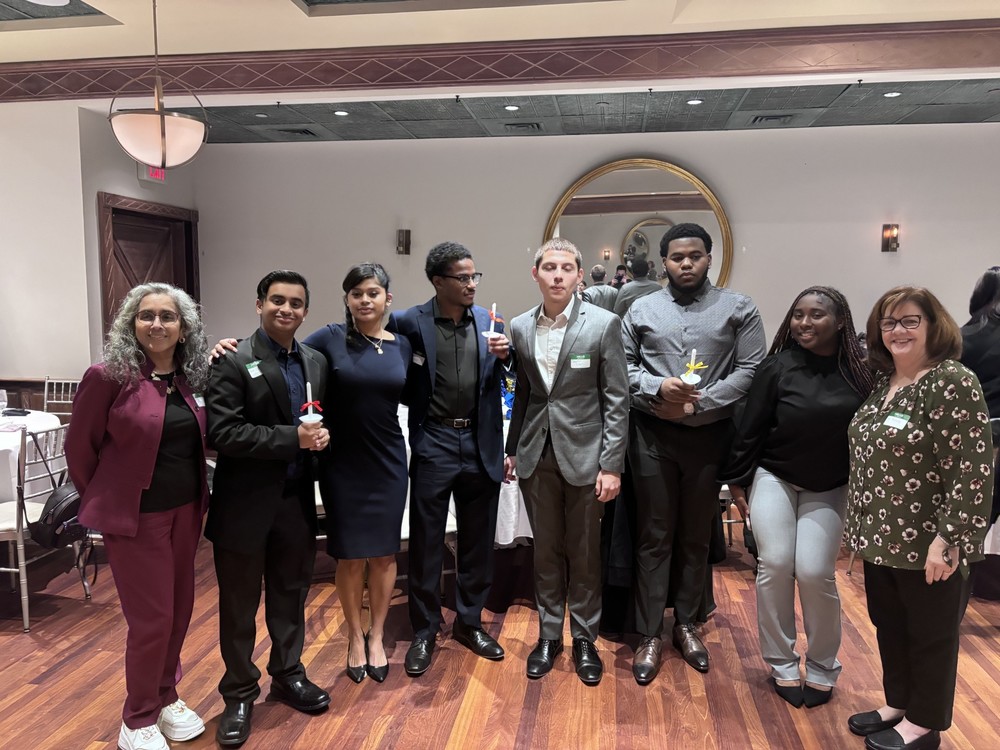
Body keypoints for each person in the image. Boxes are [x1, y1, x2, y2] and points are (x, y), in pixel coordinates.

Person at [845, 286, 993, 750]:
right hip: (881, 535)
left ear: (933, 324)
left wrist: (950, 538)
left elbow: (972, 466)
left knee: (931, 634)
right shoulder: (884, 382)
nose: (898, 330)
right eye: (889, 322)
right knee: (890, 625)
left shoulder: (951, 381)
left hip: (930, 540)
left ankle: (924, 723)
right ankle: (899, 703)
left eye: (910, 320)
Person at [66, 283, 211, 750]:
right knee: (152, 620)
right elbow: (79, 448)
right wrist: (105, 500)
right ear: (132, 324)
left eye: (168, 316)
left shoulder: (190, 377)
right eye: (146, 315)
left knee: (179, 612)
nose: (157, 324)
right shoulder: (108, 376)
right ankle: (138, 718)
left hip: (186, 511)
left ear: (184, 327)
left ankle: (166, 696)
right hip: (136, 518)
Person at [622, 222, 765, 683]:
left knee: (695, 535)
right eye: (677, 257)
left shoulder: (738, 307)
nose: (686, 263)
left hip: (708, 436)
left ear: (709, 258)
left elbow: (751, 369)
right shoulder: (641, 309)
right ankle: (649, 632)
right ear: (663, 262)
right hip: (652, 435)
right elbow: (622, 367)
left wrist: (697, 402)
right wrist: (657, 388)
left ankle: (686, 624)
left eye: (695, 256)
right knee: (654, 533)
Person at [719, 287, 874, 709]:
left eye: (816, 314)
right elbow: (750, 428)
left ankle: (823, 667)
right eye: (798, 314)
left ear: (840, 321)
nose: (804, 323)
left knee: (814, 571)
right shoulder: (777, 367)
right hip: (776, 477)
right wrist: (737, 482)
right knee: (774, 565)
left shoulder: (862, 374)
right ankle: (782, 663)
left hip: (831, 484)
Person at [206, 270, 331, 746]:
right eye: (277, 300)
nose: (286, 309)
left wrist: (321, 438)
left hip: (296, 500)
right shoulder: (233, 358)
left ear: (305, 311)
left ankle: (288, 673)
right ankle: (239, 693)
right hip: (243, 504)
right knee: (239, 606)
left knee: (290, 595)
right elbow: (223, 433)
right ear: (259, 304)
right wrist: (292, 439)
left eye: (296, 303)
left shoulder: (315, 361)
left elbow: (317, 420)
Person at [504, 239, 629, 685]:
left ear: (579, 275)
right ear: (535, 274)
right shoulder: (520, 326)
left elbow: (617, 399)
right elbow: (524, 394)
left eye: (567, 268)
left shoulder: (604, 324)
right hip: (537, 454)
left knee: (584, 553)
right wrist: (512, 448)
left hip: (587, 455)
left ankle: (585, 639)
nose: (558, 275)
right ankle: (548, 635)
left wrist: (611, 464)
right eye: (550, 267)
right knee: (545, 552)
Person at [391, 241, 512, 677]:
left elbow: (509, 375)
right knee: (426, 540)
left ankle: (469, 622)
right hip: (435, 438)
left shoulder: (490, 321)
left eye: (474, 276)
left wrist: (507, 356)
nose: (471, 284)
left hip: (480, 440)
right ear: (438, 281)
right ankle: (425, 629)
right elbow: (388, 367)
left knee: (478, 539)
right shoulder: (408, 321)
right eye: (462, 278)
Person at [302, 263, 410, 684]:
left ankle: (377, 635)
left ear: (387, 298)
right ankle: (353, 636)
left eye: (373, 292)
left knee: (384, 554)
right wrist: (231, 347)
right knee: (348, 555)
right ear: (347, 299)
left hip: (388, 460)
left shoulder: (402, 345)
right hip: (343, 462)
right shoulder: (329, 338)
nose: (365, 300)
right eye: (356, 293)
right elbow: (284, 355)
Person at [612, 252, 661, 318]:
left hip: (632, 322)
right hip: (653, 321)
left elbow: (617, 310)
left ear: (632, 272)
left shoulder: (625, 289)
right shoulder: (658, 287)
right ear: (647, 271)